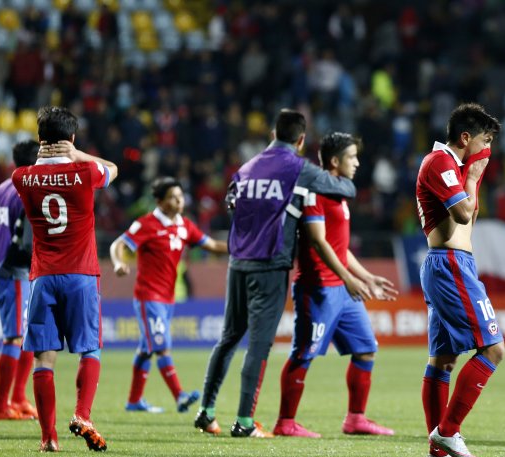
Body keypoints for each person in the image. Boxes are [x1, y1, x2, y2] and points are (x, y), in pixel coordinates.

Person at [195, 109, 355, 438]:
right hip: (270, 264)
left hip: (238, 262)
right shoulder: (297, 167)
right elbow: (343, 190)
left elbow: (232, 205)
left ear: (271, 134)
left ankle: (206, 411)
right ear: (300, 140)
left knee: (227, 338)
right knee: (258, 345)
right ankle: (243, 421)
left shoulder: (246, 168)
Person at [274, 132, 397, 437]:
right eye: (352, 157)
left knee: (366, 348)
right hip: (318, 290)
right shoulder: (314, 192)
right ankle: (285, 422)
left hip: (343, 290)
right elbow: (316, 241)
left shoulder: (340, 195)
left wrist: (365, 276)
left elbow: (339, 247)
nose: (357, 163)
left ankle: (355, 418)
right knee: (303, 354)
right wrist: (348, 278)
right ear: (334, 161)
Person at [12, 106, 119, 452]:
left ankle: (48, 438)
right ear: (71, 138)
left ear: (40, 140)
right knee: (90, 348)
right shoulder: (85, 171)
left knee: (44, 358)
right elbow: (113, 170)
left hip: (42, 276)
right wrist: (78, 153)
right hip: (82, 275)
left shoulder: (21, 176)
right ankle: (83, 415)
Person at [417, 103, 501, 457]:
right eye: (485, 140)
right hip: (450, 265)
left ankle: (437, 449)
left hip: (449, 262)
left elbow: (471, 215)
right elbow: (463, 213)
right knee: (494, 350)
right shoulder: (439, 162)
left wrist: (474, 175)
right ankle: (448, 431)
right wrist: (472, 176)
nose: (488, 149)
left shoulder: (452, 166)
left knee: (443, 360)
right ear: (466, 137)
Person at [110, 177, 228, 414]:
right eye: (173, 197)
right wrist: (118, 263)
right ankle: (180, 396)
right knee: (162, 347)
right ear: (160, 202)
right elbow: (118, 244)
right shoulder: (146, 224)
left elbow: (212, 245)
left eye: (181, 196)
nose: (179, 201)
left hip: (167, 298)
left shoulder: (184, 225)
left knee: (147, 349)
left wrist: (246, 247)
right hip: (148, 297)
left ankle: (134, 401)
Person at [0, 140, 38, 420]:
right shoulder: (24, 190)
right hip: (13, 270)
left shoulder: (1, 188)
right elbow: (24, 239)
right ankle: (0, 406)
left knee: (26, 333)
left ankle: (18, 398)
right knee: (15, 336)